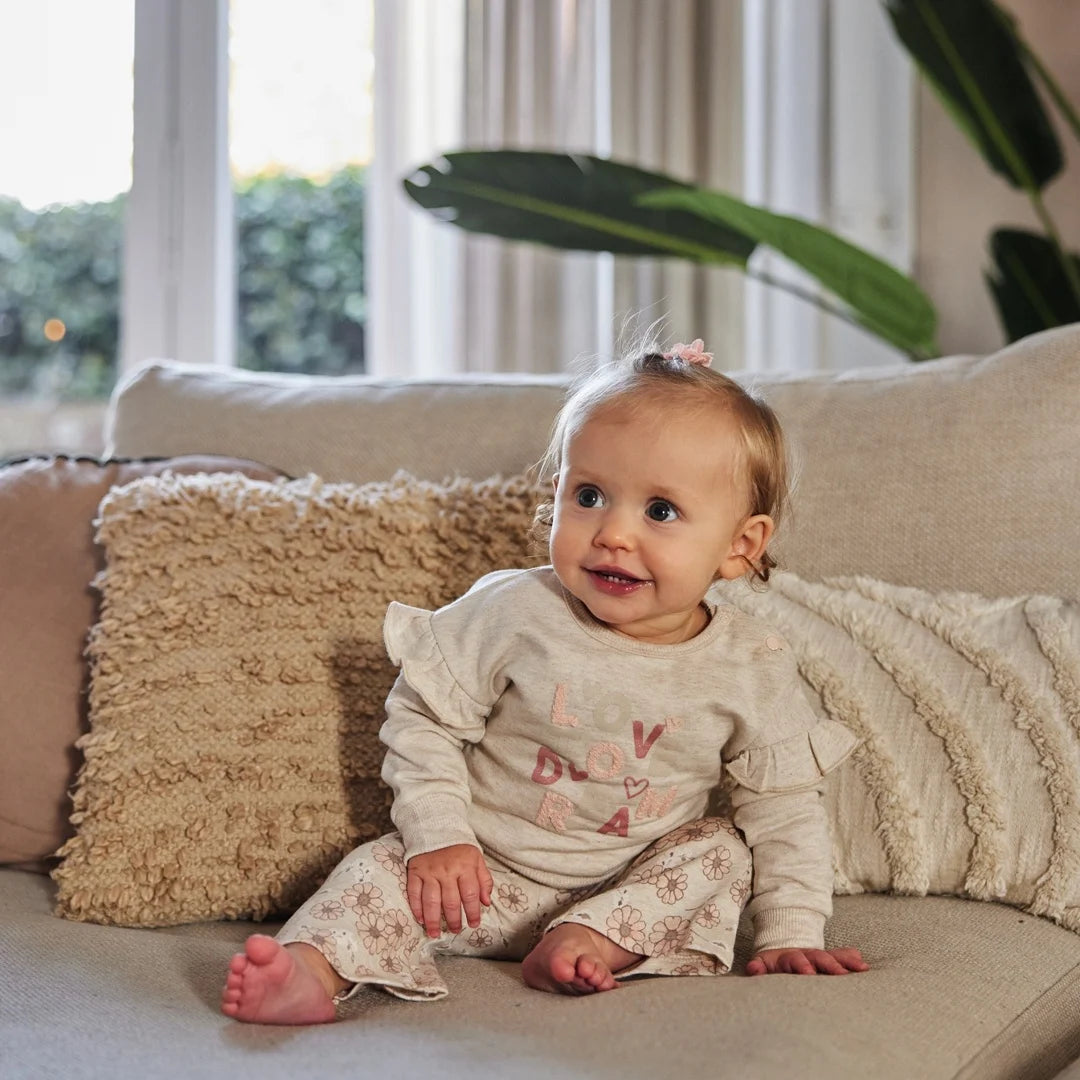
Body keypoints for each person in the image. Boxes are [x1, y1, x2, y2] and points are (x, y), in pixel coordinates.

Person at [221, 338, 868, 1024]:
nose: (614, 533)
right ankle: (311, 972)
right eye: (589, 495)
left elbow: (787, 804)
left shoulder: (751, 661)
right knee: (374, 869)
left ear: (740, 545)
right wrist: (439, 837)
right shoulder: (514, 612)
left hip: (626, 891)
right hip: (472, 880)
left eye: (660, 511)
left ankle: (586, 940)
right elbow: (423, 719)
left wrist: (793, 933)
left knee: (722, 852)